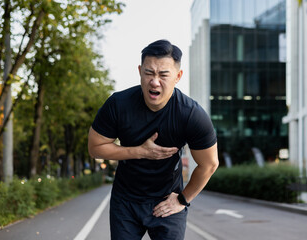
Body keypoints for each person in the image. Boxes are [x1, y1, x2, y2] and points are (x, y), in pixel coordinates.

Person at [88, 39, 219, 240]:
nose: (155, 81)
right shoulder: (118, 104)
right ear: (140, 71)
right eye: (149, 73)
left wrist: (183, 200)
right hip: (126, 200)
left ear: (178, 76)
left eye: (163, 75)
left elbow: (209, 164)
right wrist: (139, 151)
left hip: (167, 201)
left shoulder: (191, 115)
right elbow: (95, 148)